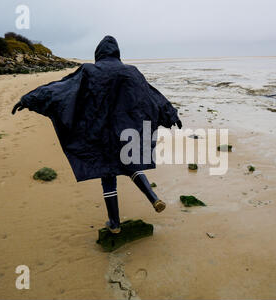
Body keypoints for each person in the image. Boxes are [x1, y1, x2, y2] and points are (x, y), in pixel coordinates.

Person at [12, 36, 182, 234]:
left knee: (107, 174)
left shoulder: (89, 71)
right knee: (131, 163)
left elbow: (61, 90)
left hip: (99, 132)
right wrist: (171, 115)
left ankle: (115, 223)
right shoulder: (132, 72)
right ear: (117, 52)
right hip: (127, 129)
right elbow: (152, 95)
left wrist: (28, 99)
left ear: (98, 53)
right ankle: (153, 198)